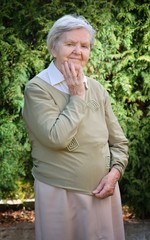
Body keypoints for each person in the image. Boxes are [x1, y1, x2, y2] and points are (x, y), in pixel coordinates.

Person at [22, 14, 128, 240]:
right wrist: (77, 95)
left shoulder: (97, 89)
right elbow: (56, 138)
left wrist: (115, 173)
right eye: (70, 44)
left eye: (84, 46)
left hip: (104, 193)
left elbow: (119, 141)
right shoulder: (37, 89)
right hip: (60, 194)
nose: (78, 51)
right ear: (53, 48)